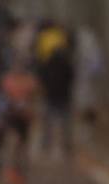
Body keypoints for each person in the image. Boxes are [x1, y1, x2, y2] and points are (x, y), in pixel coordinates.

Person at [34, 20, 74, 159]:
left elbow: (70, 75)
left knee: (57, 119)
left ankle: (58, 143)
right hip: (56, 93)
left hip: (57, 93)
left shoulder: (56, 60)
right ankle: (53, 143)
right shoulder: (55, 59)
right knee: (55, 119)